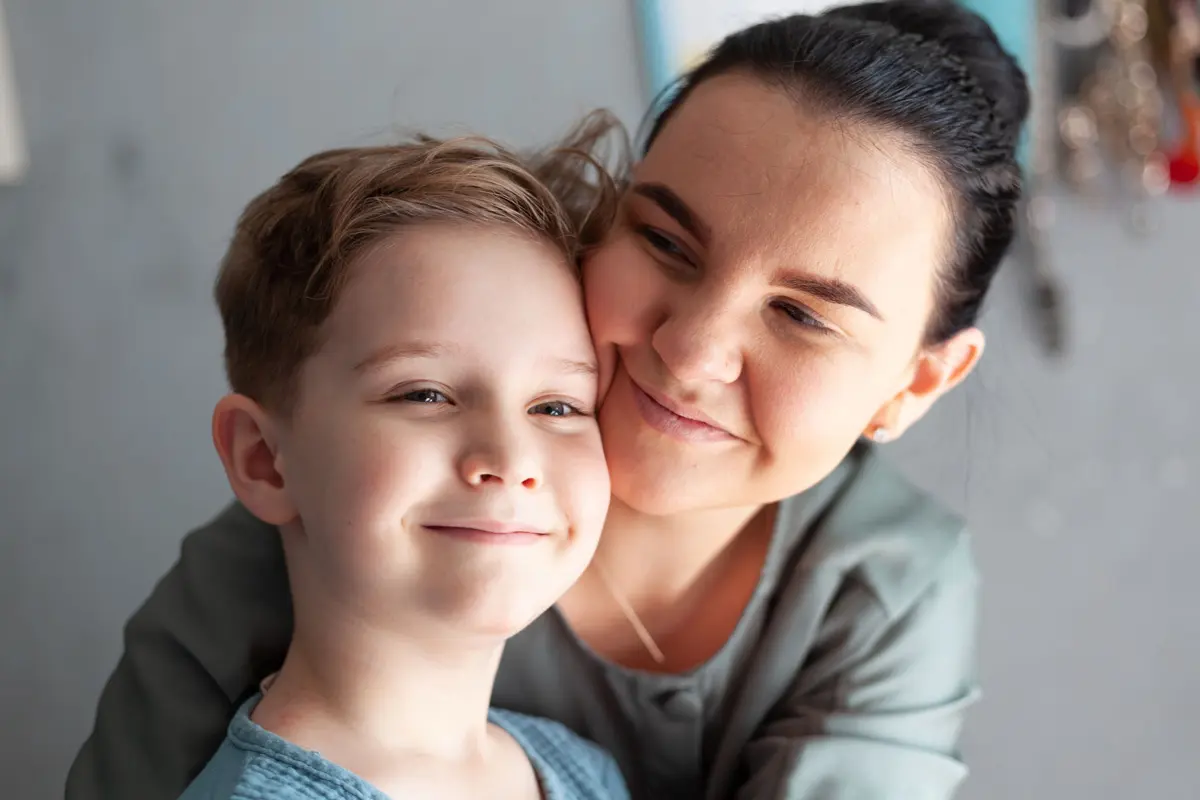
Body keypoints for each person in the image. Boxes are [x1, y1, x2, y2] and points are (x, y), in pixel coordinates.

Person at [67, 2, 1029, 798]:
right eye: (666, 244)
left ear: (915, 382)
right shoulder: (349, 500)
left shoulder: (887, 588)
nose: (690, 351)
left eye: (804, 316)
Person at [172, 136, 629, 799]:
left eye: (556, 405)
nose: (509, 460)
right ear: (264, 460)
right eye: (426, 394)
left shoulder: (586, 774)